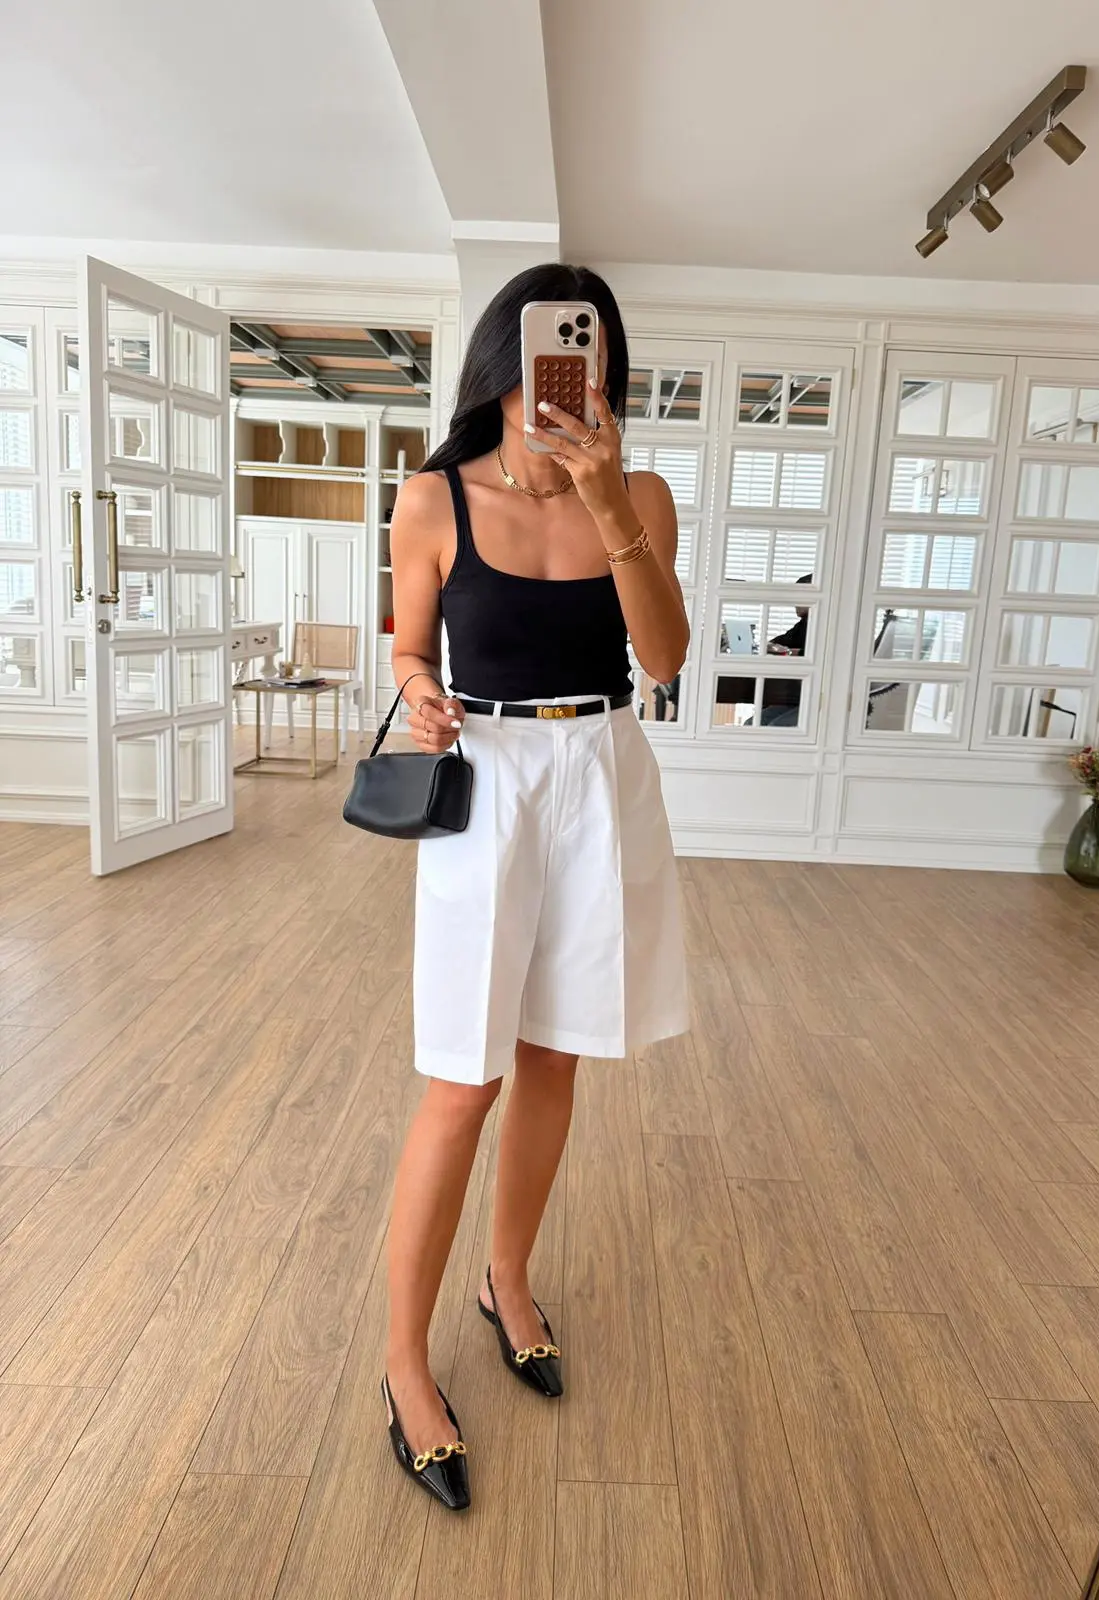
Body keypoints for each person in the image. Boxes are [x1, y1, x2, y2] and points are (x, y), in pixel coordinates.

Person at [380, 264, 690, 1512]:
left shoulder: (642, 493)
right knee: (465, 1079)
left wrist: (608, 502)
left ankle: (506, 1279)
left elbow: (663, 655)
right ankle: (405, 1363)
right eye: (555, 351)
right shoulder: (434, 497)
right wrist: (418, 691)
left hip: (602, 769)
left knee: (556, 1057)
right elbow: (409, 644)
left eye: (591, 354)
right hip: (489, 779)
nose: (571, 376)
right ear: (504, 363)